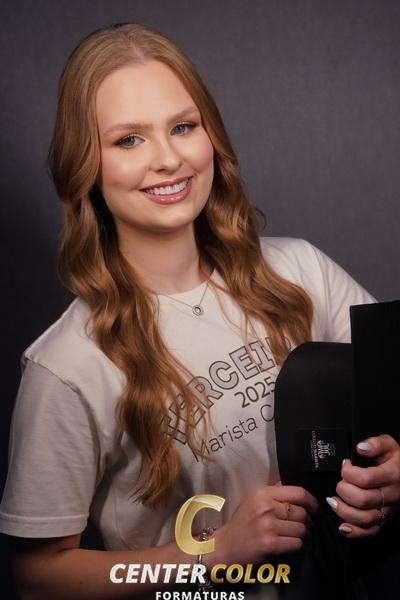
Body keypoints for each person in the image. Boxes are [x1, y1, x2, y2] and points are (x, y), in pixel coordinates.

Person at [0, 22, 399, 600]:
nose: (168, 158)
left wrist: (393, 470)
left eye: (183, 127)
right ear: (84, 163)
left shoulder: (301, 270)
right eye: (128, 140)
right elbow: (38, 578)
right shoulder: (67, 365)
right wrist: (211, 555)